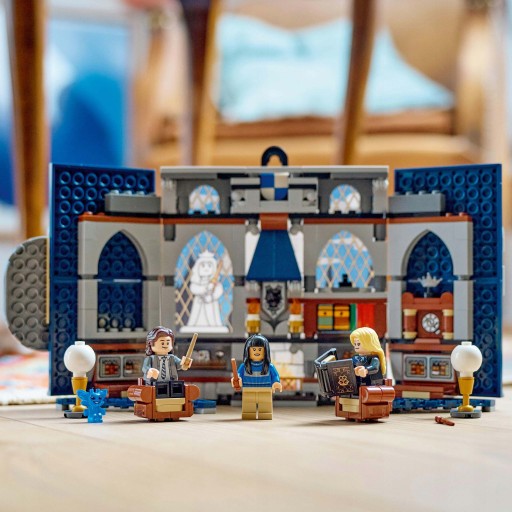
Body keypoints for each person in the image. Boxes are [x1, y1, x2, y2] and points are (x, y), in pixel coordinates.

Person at [232, 334, 282, 420]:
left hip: (265, 390)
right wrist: (236, 380)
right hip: (248, 390)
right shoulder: (244, 366)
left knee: (265, 406)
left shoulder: (269, 366)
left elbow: (275, 376)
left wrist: (276, 382)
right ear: (248, 351)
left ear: (265, 351)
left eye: (260, 349)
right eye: (254, 349)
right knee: (248, 406)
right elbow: (238, 376)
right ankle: (248, 414)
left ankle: (265, 414)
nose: (257, 351)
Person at [182, 251, 227, 333]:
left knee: (212, 317)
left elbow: (219, 291)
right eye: (203, 266)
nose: (206, 269)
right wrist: (205, 288)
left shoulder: (215, 283)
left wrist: (211, 297)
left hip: (211, 304)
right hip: (199, 303)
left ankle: (214, 326)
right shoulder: (197, 282)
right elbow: (193, 288)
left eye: (209, 266)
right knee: (196, 316)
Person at [142, 326, 192, 397]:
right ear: (151, 343)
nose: (165, 345)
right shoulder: (150, 358)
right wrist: (149, 371)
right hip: (155, 385)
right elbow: (145, 368)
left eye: (168, 343)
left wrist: (185, 363)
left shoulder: (172, 358)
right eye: (162, 343)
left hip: (171, 385)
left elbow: (181, 365)